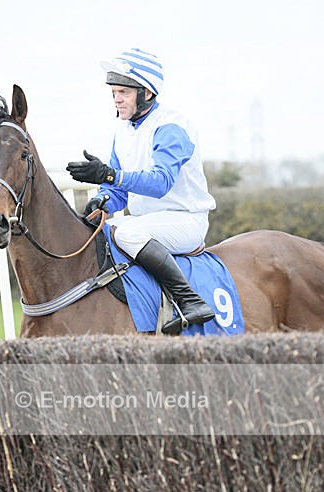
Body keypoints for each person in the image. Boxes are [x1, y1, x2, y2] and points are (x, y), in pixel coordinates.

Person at [66, 47, 216, 334]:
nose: (116, 98)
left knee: (127, 233)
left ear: (146, 92)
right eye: (114, 92)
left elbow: (160, 182)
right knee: (102, 231)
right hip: (150, 223)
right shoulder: (122, 131)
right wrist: (102, 200)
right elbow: (118, 191)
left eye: (123, 91)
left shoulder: (172, 126)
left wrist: (110, 174)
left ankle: (190, 301)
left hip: (186, 220)